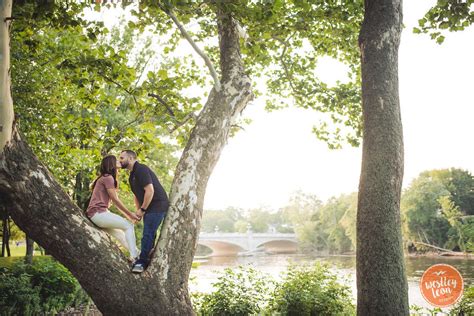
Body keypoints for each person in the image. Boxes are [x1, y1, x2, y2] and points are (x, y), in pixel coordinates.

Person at [119, 150, 169, 273]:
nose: (120, 160)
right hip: (148, 208)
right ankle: (148, 259)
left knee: (147, 234)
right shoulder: (131, 176)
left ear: (130, 158)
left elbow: (150, 190)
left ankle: (141, 262)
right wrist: (138, 211)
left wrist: (143, 209)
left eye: (122, 157)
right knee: (149, 234)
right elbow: (136, 195)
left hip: (158, 204)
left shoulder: (141, 169)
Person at [86, 155, 140, 261]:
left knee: (120, 235)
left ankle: (138, 254)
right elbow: (115, 200)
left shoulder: (105, 178)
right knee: (129, 226)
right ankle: (134, 256)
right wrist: (130, 215)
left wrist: (127, 215)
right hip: (98, 214)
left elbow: (114, 202)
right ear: (111, 163)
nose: (119, 161)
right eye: (116, 160)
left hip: (97, 214)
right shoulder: (108, 178)